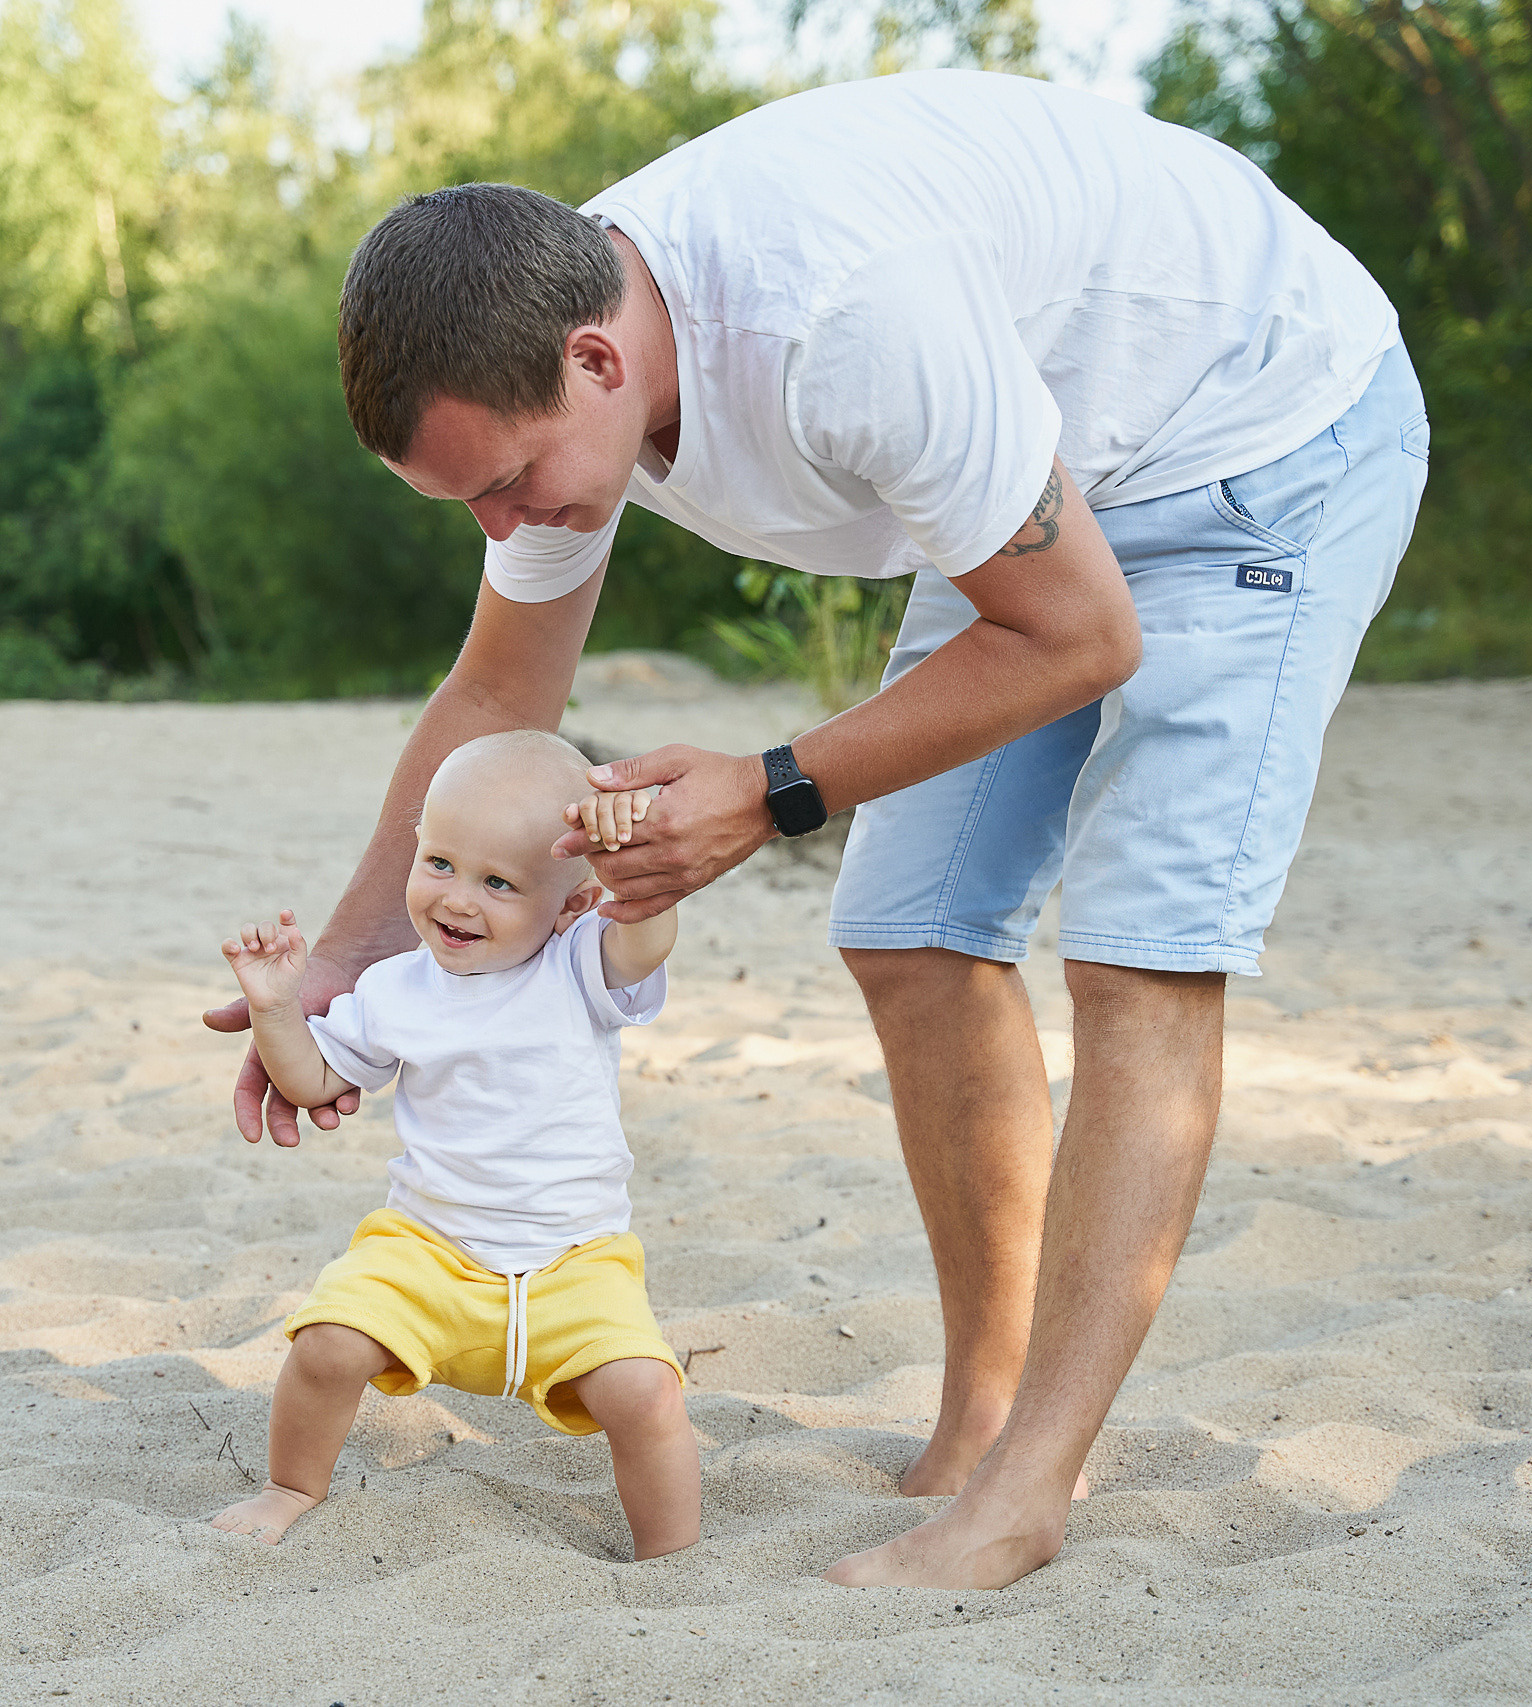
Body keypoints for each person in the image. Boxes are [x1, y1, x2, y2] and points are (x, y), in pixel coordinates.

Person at [203, 68, 1429, 1590]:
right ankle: (986, 1406)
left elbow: (1082, 636)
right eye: (467, 503)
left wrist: (769, 787)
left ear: (598, 356)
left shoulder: (839, 324)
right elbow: (500, 690)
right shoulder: (560, 371)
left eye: (512, 483)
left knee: (1141, 952)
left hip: (1261, 436)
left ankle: (1031, 1485)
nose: (503, 529)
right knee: (907, 930)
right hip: (1034, 476)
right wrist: (339, 956)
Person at [208, 731, 699, 1559]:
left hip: (575, 1262)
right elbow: (315, 1080)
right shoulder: (396, 985)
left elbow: (646, 936)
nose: (458, 899)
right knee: (326, 1342)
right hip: (429, 1249)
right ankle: (289, 1484)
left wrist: (630, 868)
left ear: (573, 901)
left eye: (499, 882)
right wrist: (276, 1009)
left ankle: (671, 1555)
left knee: (647, 1395)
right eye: (439, 862)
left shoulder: (580, 966)